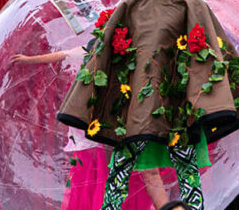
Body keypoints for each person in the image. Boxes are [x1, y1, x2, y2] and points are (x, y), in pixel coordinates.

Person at [58, 0, 239, 210]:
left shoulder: (192, 5)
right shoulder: (131, 6)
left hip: (177, 106)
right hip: (137, 107)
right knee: (121, 168)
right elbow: (106, 51)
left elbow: (214, 49)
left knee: (187, 168)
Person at [12, 45, 162, 210]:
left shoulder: (124, 58)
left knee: (114, 176)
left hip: (111, 128)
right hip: (97, 132)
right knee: (98, 177)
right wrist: (29, 60)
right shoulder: (94, 50)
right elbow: (61, 55)